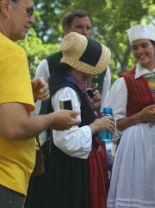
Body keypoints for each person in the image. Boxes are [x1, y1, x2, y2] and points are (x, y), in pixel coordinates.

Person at [0, 0, 79, 208]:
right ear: (6, 6)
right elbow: (15, 127)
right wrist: (53, 119)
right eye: (29, 11)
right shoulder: (10, 52)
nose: (32, 20)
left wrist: (25, 93)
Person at [25, 32, 114, 208]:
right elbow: (66, 139)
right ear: (85, 66)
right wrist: (95, 126)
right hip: (65, 172)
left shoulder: (68, 83)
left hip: (67, 166)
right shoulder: (66, 90)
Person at [107, 24, 155, 208]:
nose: (139, 51)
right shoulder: (124, 81)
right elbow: (113, 124)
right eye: (135, 47)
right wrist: (138, 117)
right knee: (136, 191)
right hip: (135, 148)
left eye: (144, 45)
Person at [35, 9, 111, 112]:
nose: (85, 32)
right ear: (66, 30)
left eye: (88, 28)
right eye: (79, 27)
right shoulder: (48, 64)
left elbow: (105, 105)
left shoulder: (102, 66)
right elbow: (38, 108)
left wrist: (90, 103)